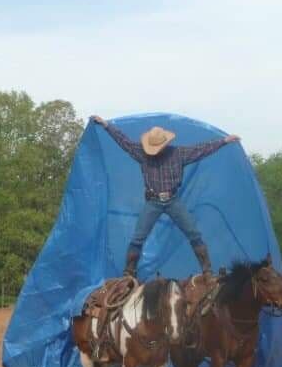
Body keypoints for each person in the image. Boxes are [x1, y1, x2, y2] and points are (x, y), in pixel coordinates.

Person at [92, 116, 240, 278]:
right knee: (138, 237)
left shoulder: (178, 154)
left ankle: (207, 270)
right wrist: (107, 126)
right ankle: (129, 272)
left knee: (193, 233)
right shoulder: (142, 153)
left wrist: (224, 141)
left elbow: (201, 149)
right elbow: (124, 142)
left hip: (172, 201)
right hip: (153, 202)